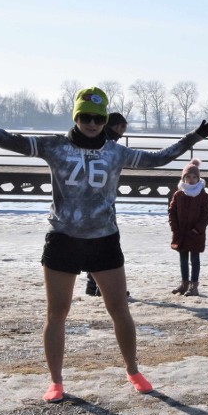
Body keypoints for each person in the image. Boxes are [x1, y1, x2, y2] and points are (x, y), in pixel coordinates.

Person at [0, 88, 208, 402]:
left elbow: (160, 158)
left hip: (104, 240)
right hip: (63, 240)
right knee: (57, 312)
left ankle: (133, 370)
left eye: (99, 118)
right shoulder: (55, 146)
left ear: (105, 119)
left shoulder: (116, 152)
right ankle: (55, 381)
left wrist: (194, 136)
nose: (92, 123)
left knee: (119, 310)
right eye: (86, 116)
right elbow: (6, 140)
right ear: (76, 116)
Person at [85, 111, 130, 296]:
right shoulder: (107, 142)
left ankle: (92, 285)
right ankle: (102, 287)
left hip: (89, 198)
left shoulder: (95, 138)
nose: (123, 133)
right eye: (124, 129)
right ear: (118, 126)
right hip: (100, 200)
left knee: (93, 243)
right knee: (105, 245)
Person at [169, 158, 208, 297]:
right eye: (188, 177)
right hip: (181, 232)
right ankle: (184, 284)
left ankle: (194, 286)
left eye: (194, 177)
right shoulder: (178, 194)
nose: (191, 179)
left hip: (196, 234)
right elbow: (172, 212)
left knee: (194, 259)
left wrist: (198, 228)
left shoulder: (202, 194)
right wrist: (175, 228)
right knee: (183, 259)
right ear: (183, 178)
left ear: (198, 178)